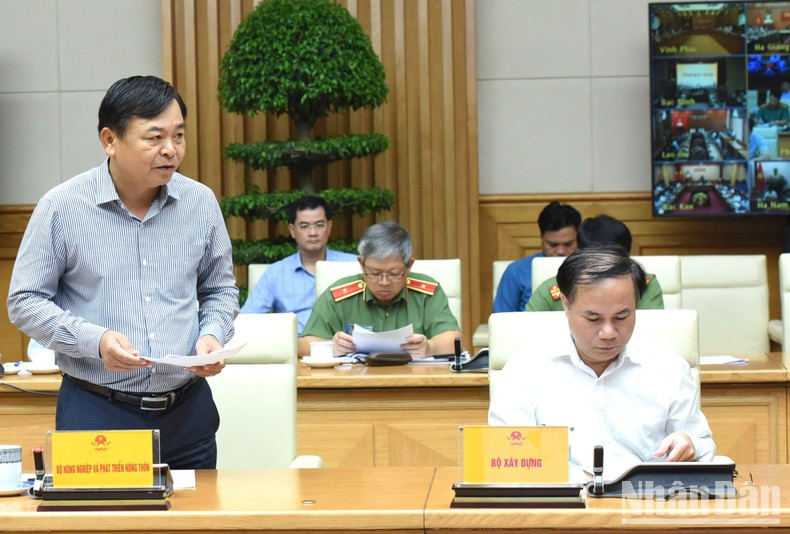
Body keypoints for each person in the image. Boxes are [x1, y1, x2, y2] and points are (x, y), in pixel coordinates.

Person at [6, 75, 239, 469]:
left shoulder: (200, 203)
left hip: (188, 413)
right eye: (154, 137)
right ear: (110, 140)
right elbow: (24, 301)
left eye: (178, 136)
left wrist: (212, 335)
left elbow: (220, 289)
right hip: (99, 413)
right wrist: (94, 342)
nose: (171, 150)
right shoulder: (62, 207)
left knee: (194, 528)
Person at [490, 247, 715, 478]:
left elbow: (703, 445)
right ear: (566, 305)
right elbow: (508, 457)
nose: (608, 332)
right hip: (562, 505)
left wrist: (690, 444)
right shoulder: (524, 369)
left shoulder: (669, 369)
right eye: (593, 318)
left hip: (645, 502)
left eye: (621, 317)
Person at [298, 221, 461, 358]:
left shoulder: (427, 293)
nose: (384, 282)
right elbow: (302, 345)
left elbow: (454, 340)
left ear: (409, 265)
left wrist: (430, 348)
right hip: (353, 387)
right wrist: (331, 347)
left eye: (394, 273)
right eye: (375, 273)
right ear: (361, 264)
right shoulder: (339, 295)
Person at [241, 195, 356, 334]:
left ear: (329, 227)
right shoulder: (275, 274)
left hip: (346, 348)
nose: (313, 233)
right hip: (295, 350)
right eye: (304, 226)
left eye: (319, 225)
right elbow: (245, 321)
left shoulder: (353, 265)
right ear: (292, 230)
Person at [526, 214, 663, 311]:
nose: (607, 268)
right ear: (581, 254)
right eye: (599, 260)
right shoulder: (552, 290)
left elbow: (652, 333)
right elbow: (528, 334)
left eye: (615, 260)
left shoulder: (644, 285)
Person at [493, 201, 581, 313]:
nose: (560, 251)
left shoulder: (590, 269)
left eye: (568, 244)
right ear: (541, 239)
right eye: (552, 245)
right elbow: (501, 321)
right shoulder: (516, 271)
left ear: (578, 240)